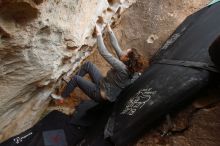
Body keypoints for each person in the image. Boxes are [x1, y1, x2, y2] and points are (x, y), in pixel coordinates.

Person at [51, 24, 147, 103]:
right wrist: (109, 30)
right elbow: (116, 46)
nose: (123, 51)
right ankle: (71, 83)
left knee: (76, 79)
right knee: (88, 65)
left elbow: (103, 52)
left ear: (127, 58)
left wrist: (98, 34)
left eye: (125, 51)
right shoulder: (130, 67)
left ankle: (62, 98)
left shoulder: (122, 67)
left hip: (100, 94)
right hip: (103, 84)